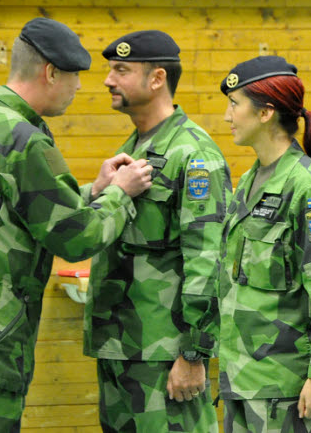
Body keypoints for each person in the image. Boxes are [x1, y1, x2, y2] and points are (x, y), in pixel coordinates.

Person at [0, 17, 152, 432]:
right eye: (74, 77)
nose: (78, 88)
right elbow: (76, 238)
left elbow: (1, 209)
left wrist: (91, 191)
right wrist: (121, 194)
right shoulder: (23, 138)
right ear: (51, 72)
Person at [85, 30, 231, 432]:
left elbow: (209, 258)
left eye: (121, 70)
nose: (108, 80)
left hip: (164, 355)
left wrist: (194, 353)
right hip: (121, 345)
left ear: (156, 79)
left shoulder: (192, 153)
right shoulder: (137, 146)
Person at [216, 55, 311, 433]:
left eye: (235, 104)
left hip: (286, 387)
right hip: (243, 379)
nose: (226, 116)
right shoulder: (251, 179)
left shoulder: (306, 186)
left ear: (266, 113)